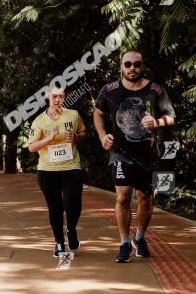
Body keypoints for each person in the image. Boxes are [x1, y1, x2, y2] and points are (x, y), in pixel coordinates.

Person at [93, 50, 175, 263]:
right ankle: (124, 243)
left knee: (146, 199)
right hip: (120, 153)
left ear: (142, 65)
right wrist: (102, 136)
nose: (132, 68)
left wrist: (157, 123)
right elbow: (98, 113)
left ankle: (139, 238)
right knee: (122, 197)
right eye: (127, 64)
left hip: (148, 155)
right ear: (121, 66)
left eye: (136, 64)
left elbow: (171, 117)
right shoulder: (109, 90)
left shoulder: (156, 90)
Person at [28, 87, 86, 257]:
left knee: (73, 204)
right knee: (55, 208)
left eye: (61, 96)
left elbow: (83, 132)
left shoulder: (73, 115)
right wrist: (48, 139)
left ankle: (71, 229)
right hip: (47, 170)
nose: (57, 99)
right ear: (48, 97)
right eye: (54, 96)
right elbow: (31, 147)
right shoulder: (39, 121)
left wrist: (76, 137)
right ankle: (59, 242)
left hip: (71, 166)